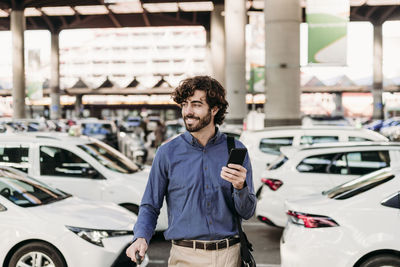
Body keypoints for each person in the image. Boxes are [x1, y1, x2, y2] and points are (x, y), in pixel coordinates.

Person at [126, 76, 256, 267]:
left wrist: (240, 187)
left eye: (196, 104)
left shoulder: (234, 150)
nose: (188, 111)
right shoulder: (167, 153)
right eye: (184, 104)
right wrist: (141, 237)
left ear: (214, 109)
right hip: (184, 256)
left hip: (230, 256)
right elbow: (150, 205)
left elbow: (247, 212)